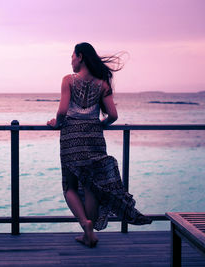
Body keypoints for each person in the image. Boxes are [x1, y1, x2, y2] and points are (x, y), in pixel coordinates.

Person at [47, 42, 152, 248]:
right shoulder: (103, 84)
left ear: (80, 56)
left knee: (69, 185)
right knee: (90, 184)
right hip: (94, 136)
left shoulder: (68, 80)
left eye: (72, 56)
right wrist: (99, 125)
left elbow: (61, 112)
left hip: (71, 136)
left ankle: (85, 224)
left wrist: (55, 124)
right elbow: (113, 115)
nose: (71, 61)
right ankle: (90, 233)